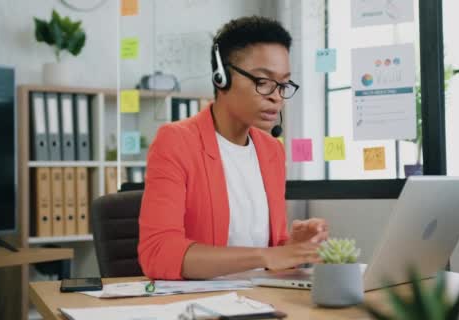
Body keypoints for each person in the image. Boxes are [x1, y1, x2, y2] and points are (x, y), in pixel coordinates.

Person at [138, 16, 329, 280]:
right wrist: (265, 255)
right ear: (222, 77)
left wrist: (292, 247)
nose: (276, 96)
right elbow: (158, 253)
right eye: (263, 81)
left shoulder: (272, 151)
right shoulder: (176, 142)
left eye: (283, 84)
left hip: (261, 300)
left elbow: (272, 259)